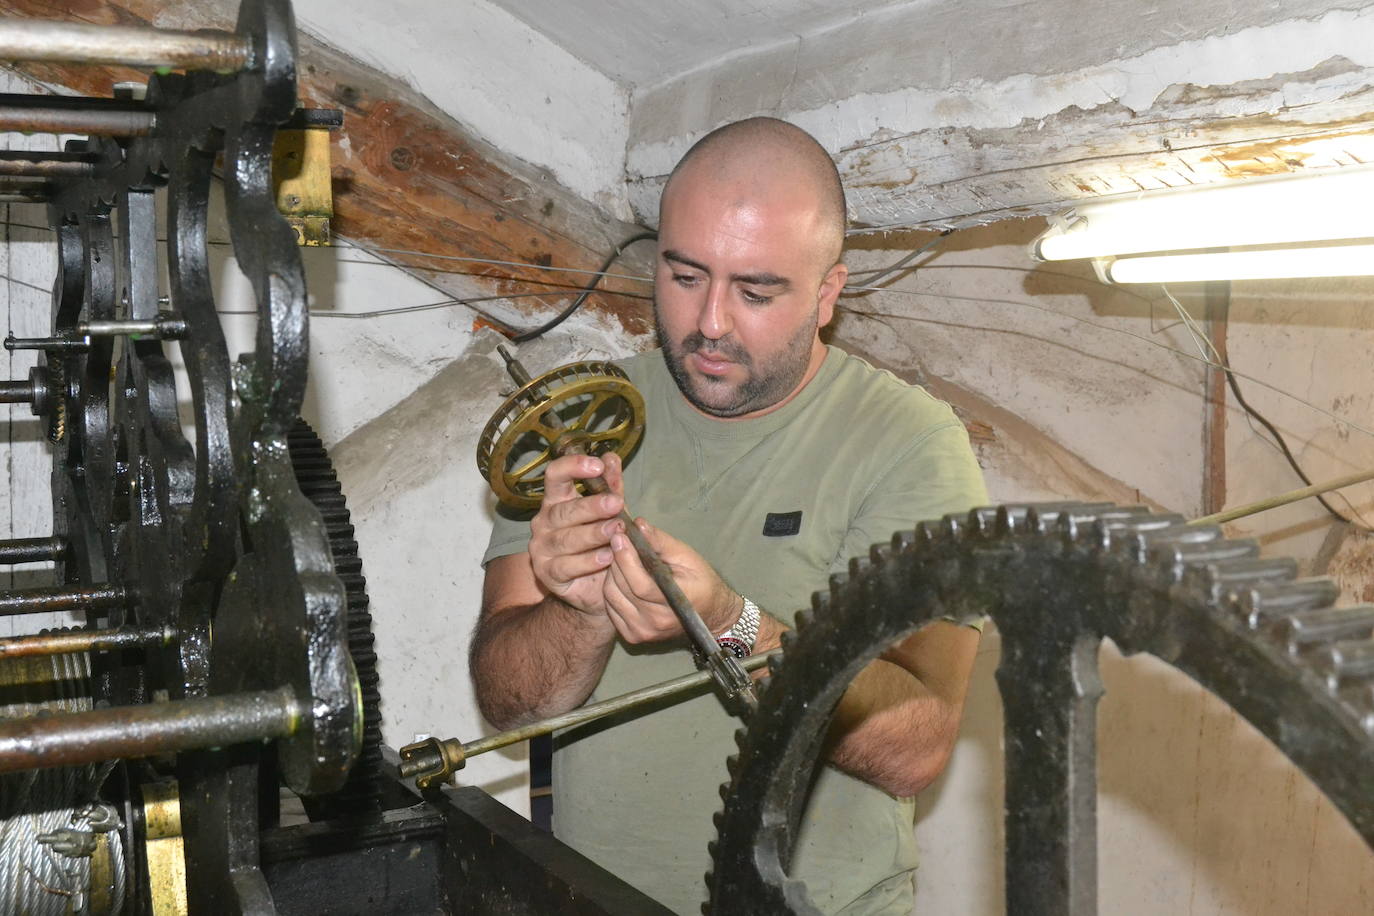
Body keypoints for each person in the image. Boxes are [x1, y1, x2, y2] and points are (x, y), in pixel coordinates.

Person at [471, 117, 987, 914]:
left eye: (755, 291)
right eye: (684, 277)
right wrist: (577, 611)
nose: (710, 322)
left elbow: (917, 745)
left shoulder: (911, 447)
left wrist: (731, 624)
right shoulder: (588, 423)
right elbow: (509, 705)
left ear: (827, 295)